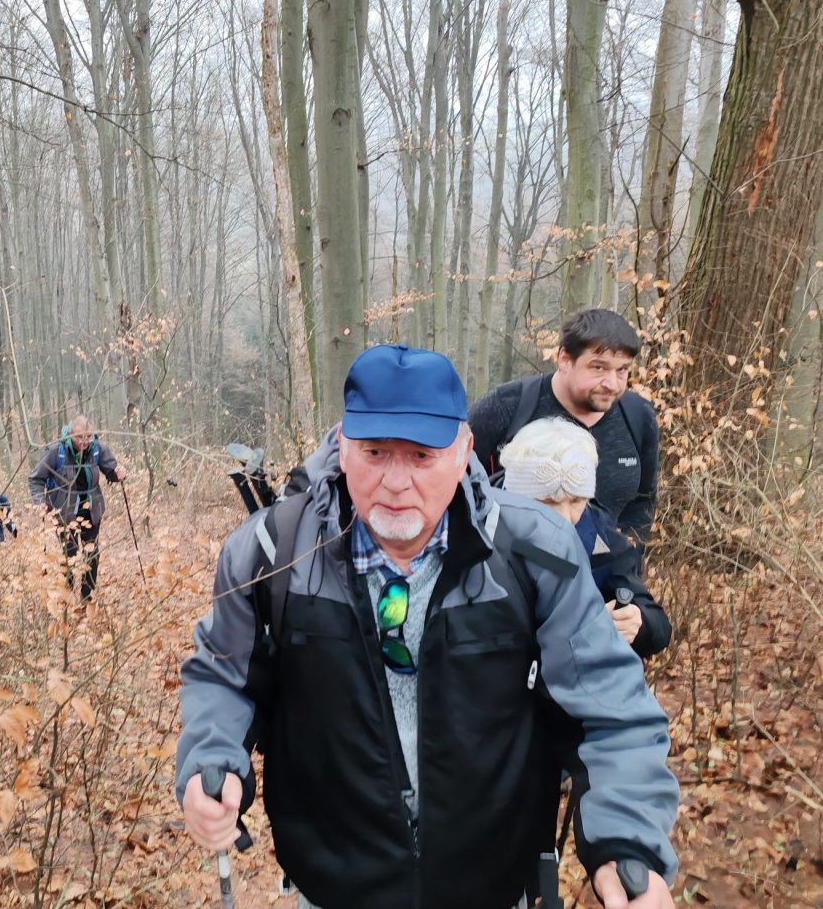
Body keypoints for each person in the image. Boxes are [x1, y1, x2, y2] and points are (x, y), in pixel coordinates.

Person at [176, 344, 678, 909]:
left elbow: (612, 706)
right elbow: (223, 676)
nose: (394, 482)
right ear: (342, 448)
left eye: (421, 456)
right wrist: (210, 761)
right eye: (374, 453)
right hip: (335, 885)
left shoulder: (536, 551)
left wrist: (626, 838)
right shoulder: (274, 552)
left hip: (491, 882)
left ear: (464, 450)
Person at [468, 309, 659, 544]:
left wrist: (627, 563)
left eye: (622, 370)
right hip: (510, 571)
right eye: (598, 367)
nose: (612, 383)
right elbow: (457, 484)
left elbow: (643, 499)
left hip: (603, 574)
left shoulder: (638, 415)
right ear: (564, 359)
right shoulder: (507, 407)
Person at [499, 417, 671, 658]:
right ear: (516, 495)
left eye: (576, 501)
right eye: (548, 502)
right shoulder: (475, 526)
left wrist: (638, 623)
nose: (566, 517)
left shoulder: (598, 529)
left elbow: (657, 624)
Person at [28, 416, 125, 602]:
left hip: (92, 508)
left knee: (92, 552)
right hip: (63, 509)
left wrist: (119, 473)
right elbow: (35, 479)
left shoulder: (98, 448)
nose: (85, 441)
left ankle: (87, 596)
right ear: (70, 434)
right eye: (80, 438)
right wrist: (40, 500)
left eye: (88, 437)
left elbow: (111, 471)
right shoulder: (57, 451)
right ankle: (68, 593)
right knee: (70, 553)